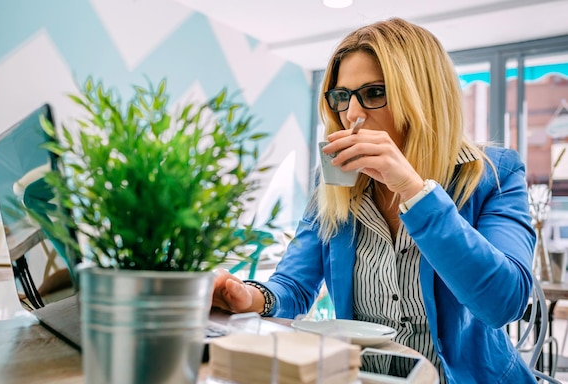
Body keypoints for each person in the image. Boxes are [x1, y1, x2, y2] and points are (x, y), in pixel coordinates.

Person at [212, 17, 536, 383]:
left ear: (424, 97)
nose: (352, 114)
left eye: (374, 93)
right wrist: (248, 296)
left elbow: (503, 304)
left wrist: (415, 190)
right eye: (341, 97)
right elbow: (295, 285)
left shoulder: (495, 174)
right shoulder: (336, 182)